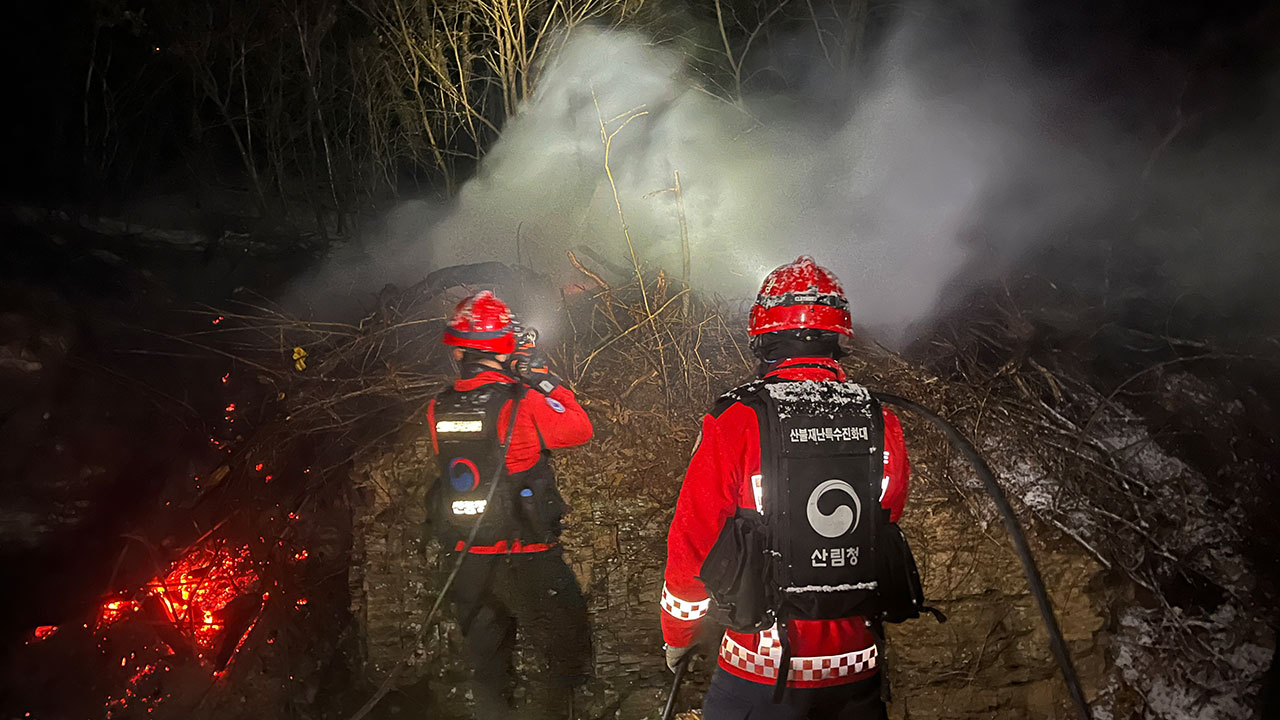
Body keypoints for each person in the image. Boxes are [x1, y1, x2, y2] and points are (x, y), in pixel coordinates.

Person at [659, 256, 912, 720]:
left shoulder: (737, 421)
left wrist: (679, 636)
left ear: (763, 337)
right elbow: (885, 520)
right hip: (858, 670)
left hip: (761, 673)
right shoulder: (882, 420)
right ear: (839, 338)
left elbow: (693, 544)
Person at [426, 290, 593, 720]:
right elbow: (579, 428)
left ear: (458, 350)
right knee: (566, 658)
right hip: (527, 556)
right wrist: (541, 378)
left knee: (488, 674)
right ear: (504, 347)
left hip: (467, 560)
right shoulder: (523, 401)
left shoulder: (438, 407)